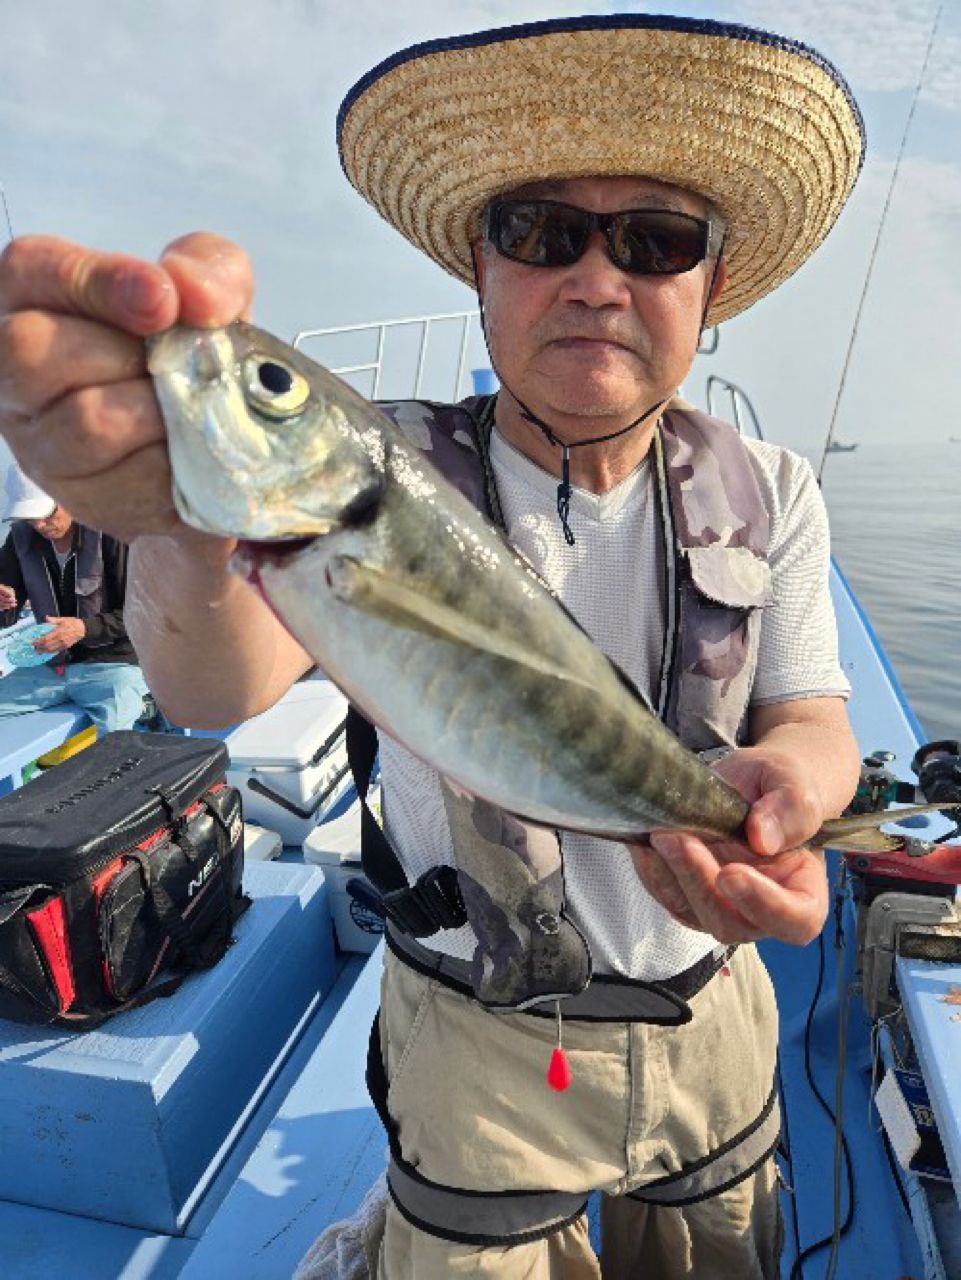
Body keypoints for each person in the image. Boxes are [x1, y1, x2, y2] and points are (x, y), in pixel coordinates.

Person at [0, 14, 865, 1278]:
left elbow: (813, 713)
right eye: (537, 231)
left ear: (710, 286)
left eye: (656, 241)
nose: (594, 278)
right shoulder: (389, 467)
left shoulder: (774, 488)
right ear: (479, 263)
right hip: (472, 1028)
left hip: (707, 1013)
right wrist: (180, 524)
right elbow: (213, 680)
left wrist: (801, 795)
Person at [0, 462, 149, 735]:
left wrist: (84, 628)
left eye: (46, 514)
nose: (39, 525)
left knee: (117, 744)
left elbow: (145, 613)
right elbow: (5, 615)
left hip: (114, 667)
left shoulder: (116, 533)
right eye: (29, 518)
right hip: (48, 667)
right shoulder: (19, 540)